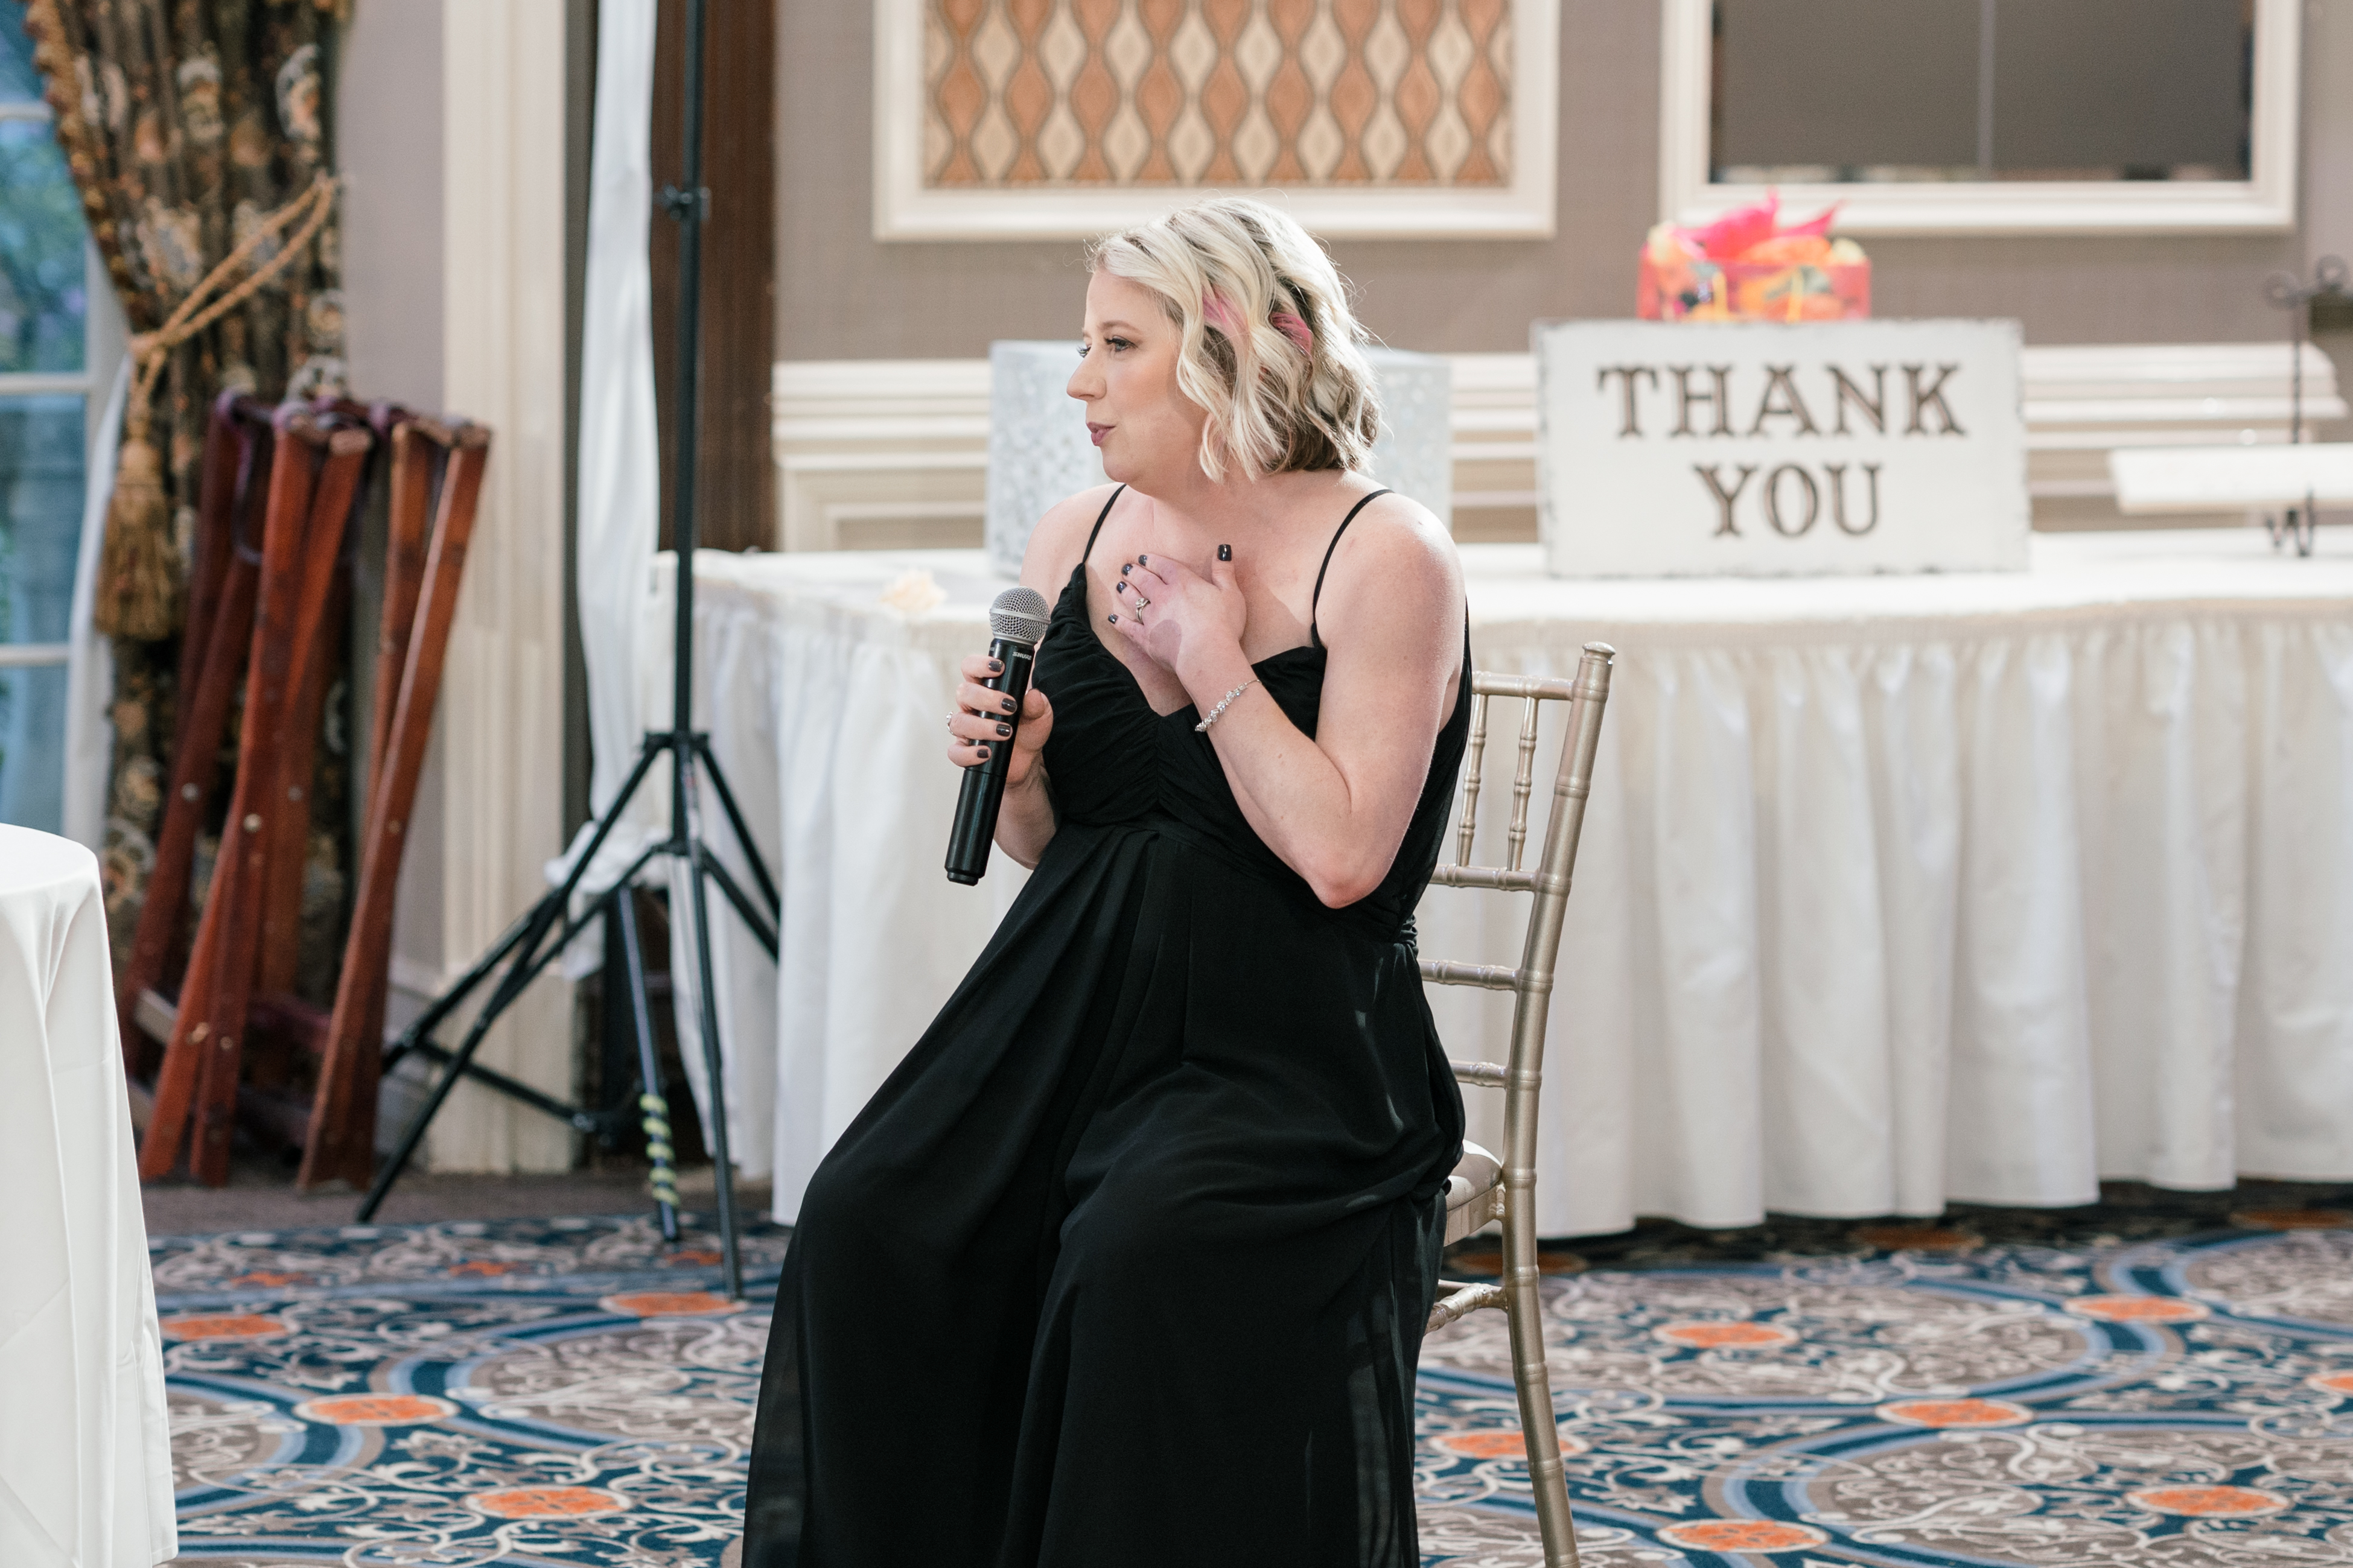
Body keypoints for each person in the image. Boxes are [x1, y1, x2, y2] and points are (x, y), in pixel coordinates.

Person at [743, 196, 1471, 1567]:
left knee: (1143, 1253)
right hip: (1065, 1009)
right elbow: (1058, 845)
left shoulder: (1386, 553)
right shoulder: (1072, 536)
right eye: (1087, 344)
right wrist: (1020, 773)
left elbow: (1342, 860)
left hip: (1288, 1049)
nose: (1079, 381)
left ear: (1235, 350)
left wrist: (1211, 662)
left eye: (1118, 345)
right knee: (867, 1220)